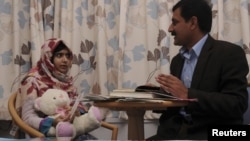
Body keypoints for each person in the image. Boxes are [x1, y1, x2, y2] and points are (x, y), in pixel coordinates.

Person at [147, 0, 249, 140]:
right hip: (173, 133)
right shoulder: (177, 61)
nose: (170, 28)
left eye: (175, 22)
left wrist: (188, 94)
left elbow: (237, 104)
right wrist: (160, 94)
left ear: (193, 23)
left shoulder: (229, 54)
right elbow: (178, 104)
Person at [15, 38, 106, 140]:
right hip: (41, 134)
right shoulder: (31, 81)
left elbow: (78, 108)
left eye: (67, 56)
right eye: (59, 55)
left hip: (69, 132)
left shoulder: (66, 82)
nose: (65, 60)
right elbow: (27, 118)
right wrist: (52, 122)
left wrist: (76, 113)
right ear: (49, 58)